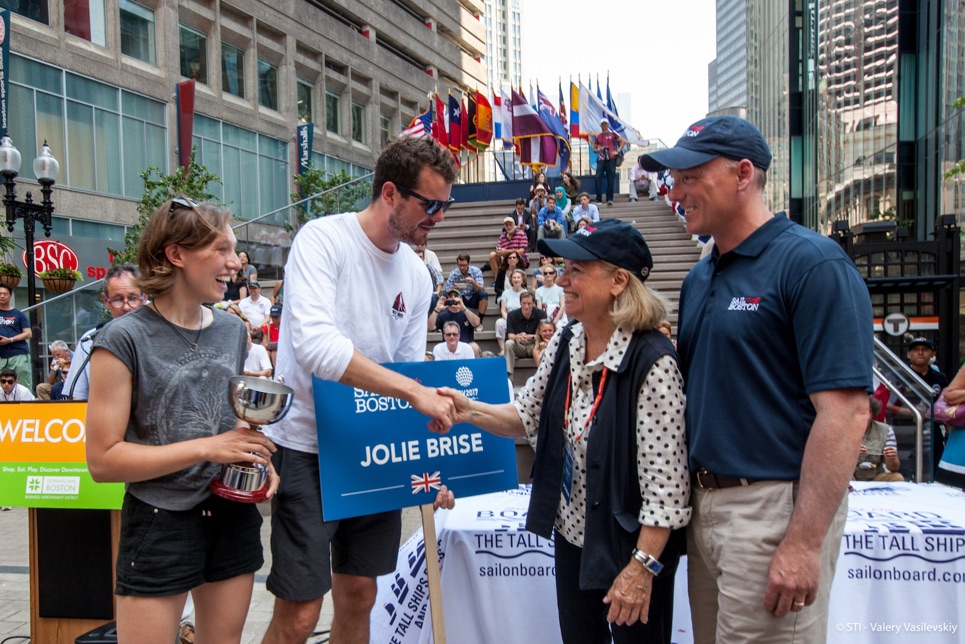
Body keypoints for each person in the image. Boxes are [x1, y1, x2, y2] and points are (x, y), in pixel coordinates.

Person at [641, 114, 873, 642]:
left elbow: (847, 412)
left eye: (690, 176)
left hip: (773, 511)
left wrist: (803, 541)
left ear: (743, 174)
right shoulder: (701, 276)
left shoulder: (812, 264)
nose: (675, 191)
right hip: (705, 511)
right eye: (673, 179)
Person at [439, 218, 689, 643]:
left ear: (618, 281)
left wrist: (641, 567)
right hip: (574, 535)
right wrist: (466, 410)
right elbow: (525, 415)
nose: (562, 279)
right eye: (564, 269)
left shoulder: (654, 362)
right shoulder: (568, 338)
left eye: (577, 270)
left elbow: (667, 494)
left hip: (630, 548)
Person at [261, 136, 456, 644]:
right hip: (307, 446)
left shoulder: (416, 274)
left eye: (445, 206)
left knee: (360, 595)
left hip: (371, 449)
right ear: (390, 193)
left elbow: (409, 372)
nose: (437, 216)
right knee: (301, 613)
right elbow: (318, 350)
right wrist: (412, 393)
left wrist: (429, 466)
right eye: (428, 204)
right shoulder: (322, 239)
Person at [85, 197, 278, 643]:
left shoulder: (232, 329)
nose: (236, 263)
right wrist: (210, 448)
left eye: (235, 250)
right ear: (176, 254)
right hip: (159, 518)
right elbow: (103, 461)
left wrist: (256, 459)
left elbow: (226, 425)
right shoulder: (122, 338)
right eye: (222, 250)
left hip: (230, 512)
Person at [64, 264, 146, 401]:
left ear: (144, 298)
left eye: (132, 298)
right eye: (118, 300)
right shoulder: (89, 341)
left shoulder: (161, 337)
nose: (126, 307)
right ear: (105, 301)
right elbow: (77, 398)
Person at [855, 396, 903, 481]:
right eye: (861, 411)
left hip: (876, 476)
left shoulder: (886, 430)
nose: (864, 415)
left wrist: (892, 459)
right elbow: (835, 465)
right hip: (850, 477)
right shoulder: (842, 429)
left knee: (897, 477)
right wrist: (853, 456)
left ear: (873, 413)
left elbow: (894, 468)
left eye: (868, 411)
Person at [504, 291, 546, 377]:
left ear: (533, 303)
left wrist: (531, 337)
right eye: (524, 303)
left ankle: (544, 376)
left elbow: (545, 334)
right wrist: (518, 336)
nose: (526, 306)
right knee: (509, 343)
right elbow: (510, 335)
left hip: (535, 345)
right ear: (520, 303)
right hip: (519, 346)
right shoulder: (512, 315)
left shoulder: (541, 314)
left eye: (529, 303)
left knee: (543, 344)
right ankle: (508, 377)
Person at [429, 289, 481, 356]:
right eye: (450, 296)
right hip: (448, 345)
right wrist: (437, 309)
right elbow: (430, 327)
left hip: (466, 346)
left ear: (461, 299)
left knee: (474, 347)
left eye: (456, 296)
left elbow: (477, 323)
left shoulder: (468, 311)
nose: (453, 297)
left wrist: (463, 308)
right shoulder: (442, 315)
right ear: (447, 299)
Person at [0, 283, 33, 390]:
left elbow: (28, 333)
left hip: (18, 353)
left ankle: (24, 406)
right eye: (0, 294)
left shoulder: (18, 314)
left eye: (5, 294)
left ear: (10, 296)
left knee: (23, 385)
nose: (2, 296)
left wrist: (10, 340)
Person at [593, 118, 625, 206]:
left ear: (608, 125)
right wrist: (599, 149)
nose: (604, 125)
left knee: (610, 178)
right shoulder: (598, 136)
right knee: (598, 177)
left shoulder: (612, 134)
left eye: (605, 124)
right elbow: (594, 149)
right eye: (602, 124)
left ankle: (609, 198)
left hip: (611, 158)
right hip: (601, 158)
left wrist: (617, 151)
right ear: (600, 125)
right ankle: (598, 198)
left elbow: (622, 141)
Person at [495, 268, 527, 355]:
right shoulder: (505, 293)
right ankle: (502, 349)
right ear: (511, 279)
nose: (516, 280)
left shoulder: (526, 293)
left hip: (522, 319)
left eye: (518, 277)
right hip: (509, 318)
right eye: (514, 277)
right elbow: (503, 310)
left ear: (522, 279)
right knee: (499, 322)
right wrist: (509, 320)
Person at [261, 304, 282, 369]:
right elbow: (265, 344)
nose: (275, 319)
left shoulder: (285, 328)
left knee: (274, 353)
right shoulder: (267, 327)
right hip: (270, 349)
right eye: (273, 317)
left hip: (281, 350)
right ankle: (267, 371)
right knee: (267, 352)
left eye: (277, 317)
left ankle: (277, 372)